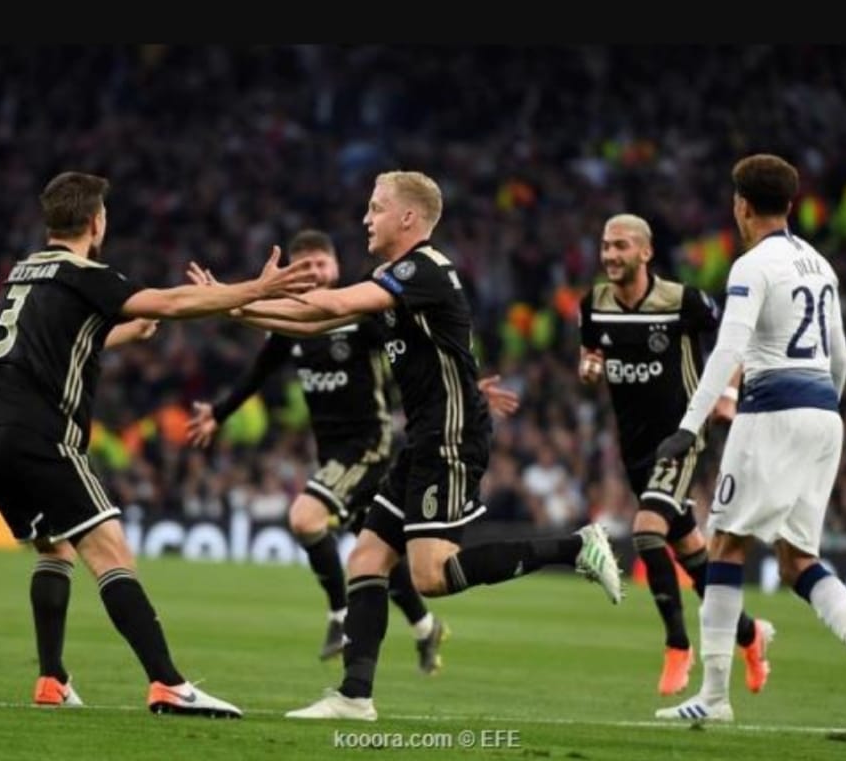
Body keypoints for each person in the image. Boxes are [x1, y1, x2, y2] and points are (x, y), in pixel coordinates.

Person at [228, 169, 624, 721]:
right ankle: (354, 697)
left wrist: (242, 297)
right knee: (367, 558)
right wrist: (236, 306)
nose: (366, 218)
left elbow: (327, 308)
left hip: (450, 435)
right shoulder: (393, 277)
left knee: (431, 576)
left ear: (408, 217)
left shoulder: (423, 269)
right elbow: (315, 326)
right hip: (424, 436)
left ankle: (576, 547)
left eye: (376, 208)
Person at [0, 171, 315, 719]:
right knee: (111, 552)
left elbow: (66, 344)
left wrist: (129, 329)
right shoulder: (86, 274)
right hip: (39, 436)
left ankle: (52, 679)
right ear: (96, 222)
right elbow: (171, 302)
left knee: (54, 548)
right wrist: (255, 290)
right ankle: (167, 683)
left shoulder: (24, 273)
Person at [653, 154, 846, 730]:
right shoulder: (820, 264)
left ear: (741, 206)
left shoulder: (752, 266)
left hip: (772, 412)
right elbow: (840, 357)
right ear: (791, 205)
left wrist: (689, 425)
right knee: (797, 562)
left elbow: (729, 349)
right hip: (822, 414)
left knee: (725, 546)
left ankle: (714, 695)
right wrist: (821, 411)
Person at [186, 228, 517, 673]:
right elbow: (258, 373)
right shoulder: (291, 326)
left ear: (337, 266)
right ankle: (425, 628)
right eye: (304, 266)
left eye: (321, 263)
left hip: (368, 446)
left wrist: (466, 388)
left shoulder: (364, 313)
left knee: (304, 518)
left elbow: (421, 353)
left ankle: (340, 614)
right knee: (375, 555)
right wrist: (219, 413)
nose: (315, 272)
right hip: (331, 453)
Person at [578, 214, 774, 696]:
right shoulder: (593, 304)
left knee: (647, 532)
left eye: (621, 246)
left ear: (645, 252)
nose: (610, 255)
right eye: (605, 246)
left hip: (683, 436)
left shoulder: (682, 302)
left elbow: (740, 338)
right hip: (635, 449)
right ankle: (750, 636)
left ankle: (677, 647)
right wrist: (589, 367)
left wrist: (728, 393)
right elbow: (591, 353)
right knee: (693, 558)